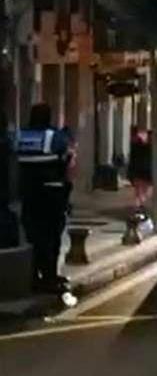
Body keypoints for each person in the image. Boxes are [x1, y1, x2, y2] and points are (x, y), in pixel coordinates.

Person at [16, 103, 73, 293]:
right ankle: (49, 277)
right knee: (51, 237)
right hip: (52, 194)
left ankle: (34, 276)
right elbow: (66, 158)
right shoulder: (54, 136)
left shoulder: (21, 136)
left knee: (33, 236)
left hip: (28, 194)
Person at [128, 127, 151, 209]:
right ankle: (140, 206)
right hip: (143, 171)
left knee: (140, 191)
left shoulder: (135, 145)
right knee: (142, 190)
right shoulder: (146, 147)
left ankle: (139, 205)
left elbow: (132, 160)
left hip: (140, 171)